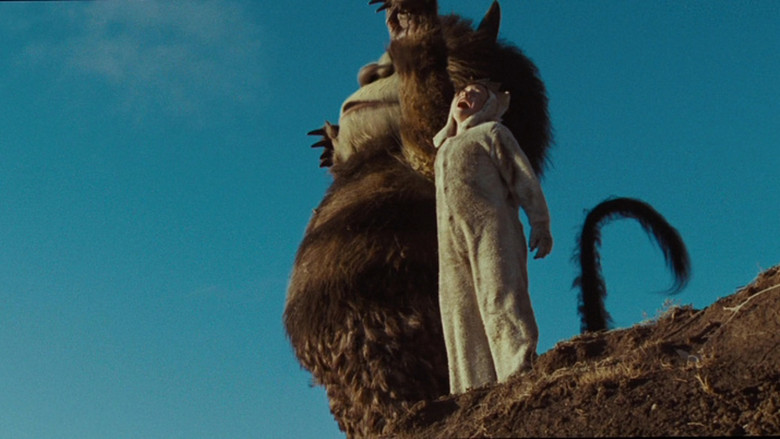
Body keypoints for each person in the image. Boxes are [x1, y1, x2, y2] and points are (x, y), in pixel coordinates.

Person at [433, 81, 553, 394]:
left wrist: (539, 222)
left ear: (488, 106)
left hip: (492, 230)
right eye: (461, 92)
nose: (465, 95)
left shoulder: (492, 133)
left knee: (501, 295)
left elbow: (522, 177)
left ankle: (517, 373)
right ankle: (472, 390)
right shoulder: (443, 149)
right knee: (459, 311)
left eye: (476, 93)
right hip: (451, 242)